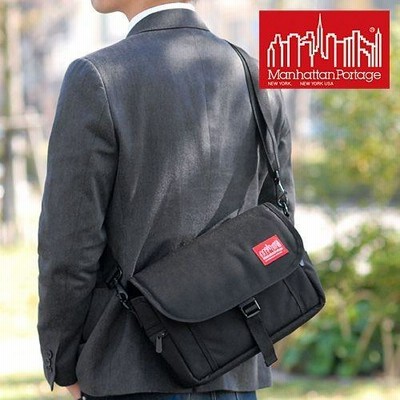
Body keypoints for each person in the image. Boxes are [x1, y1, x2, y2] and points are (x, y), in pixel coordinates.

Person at [37, 0, 295, 399]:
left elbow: (69, 247)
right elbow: (278, 221)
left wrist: (63, 360)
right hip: (234, 370)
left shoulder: (97, 77)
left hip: (130, 371)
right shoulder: (255, 75)